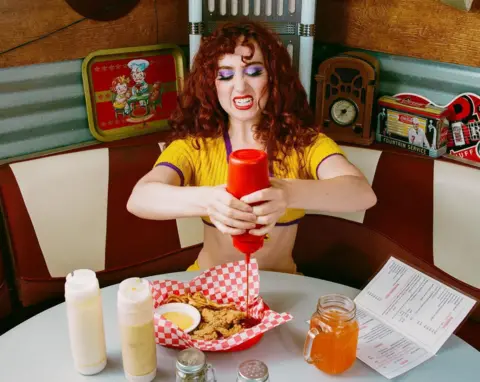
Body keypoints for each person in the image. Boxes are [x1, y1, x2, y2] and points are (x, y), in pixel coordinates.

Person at [127, 22, 377, 274]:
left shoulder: (304, 144)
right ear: (211, 85)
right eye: (225, 75)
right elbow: (139, 198)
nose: (240, 87)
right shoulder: (194, 147)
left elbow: (363, 194)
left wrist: (287, 193)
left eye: (254, 72)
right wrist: (209, 200)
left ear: (274, 77)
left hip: (283, 287)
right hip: (207, 289)